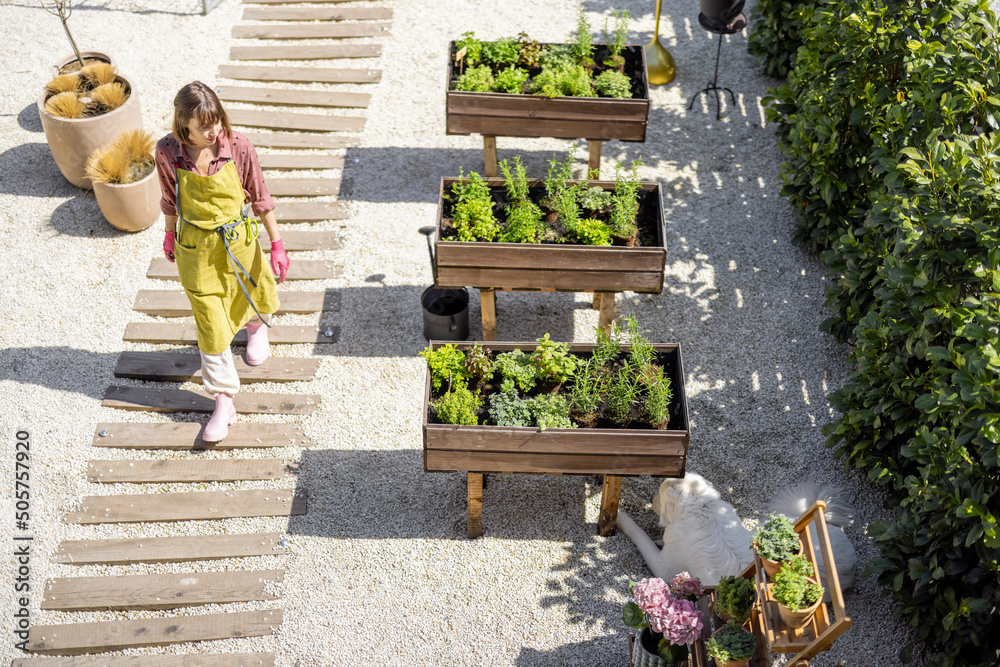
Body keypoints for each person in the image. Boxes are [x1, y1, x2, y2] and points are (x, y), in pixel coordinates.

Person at [154, 81, 290, 443]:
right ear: (185, 124)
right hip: (195, 247)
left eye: (217, 121)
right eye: (205, 126)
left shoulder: (237, 146)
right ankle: (223, 401)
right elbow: (170, 199)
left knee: (248, 288)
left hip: (237, 239)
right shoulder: (167, 152)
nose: (215, 131)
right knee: (210, 327)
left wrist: (276, 244)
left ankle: (256, 328)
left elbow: (260, 196)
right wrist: (169, 234)